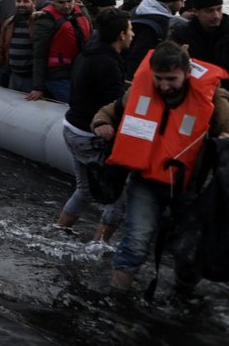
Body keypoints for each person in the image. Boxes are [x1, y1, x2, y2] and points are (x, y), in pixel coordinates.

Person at [92, 41, 229, 294]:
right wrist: (101, 123)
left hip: (189, 187)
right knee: (135, 241)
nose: (164, 85)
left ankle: (183, 295)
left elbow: (226, 127)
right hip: (146, 182)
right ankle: (115, 296)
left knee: (189, 248)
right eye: (159, 79)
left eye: (171, 79)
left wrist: (225, 139)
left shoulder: (213, 97)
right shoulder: (139, 91)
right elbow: (109, 111)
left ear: (187, 74)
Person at [56, 9, 133, 241]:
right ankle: (98, 248)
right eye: (131, 30)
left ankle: (59, 232)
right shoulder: (107, 62)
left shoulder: (89, 53)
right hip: (91, 137)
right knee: (119, 198)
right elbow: (116, 104)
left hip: (71, 127)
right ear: (121, 35)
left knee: (85, 190)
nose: (133, 34)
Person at [27, 0, 92, 102]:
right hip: (57, 75)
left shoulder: (82, 13)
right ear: (53, 1)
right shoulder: (45, 20)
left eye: (69, 2)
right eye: (61, 2)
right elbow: (39, 55)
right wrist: (38, 87)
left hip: (79, 71)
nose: (66, 6)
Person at [124, 0, 187, 79]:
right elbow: (141, 55)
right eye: (181, 1)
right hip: (138, 74)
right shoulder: (161, 21)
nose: (183, 5)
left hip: (123, 65)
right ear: (170, 1)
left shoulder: (138, 9)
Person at [171, 0, 229, 87]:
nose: (216, 15)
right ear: (196, 12)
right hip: (195, 89)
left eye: (219, 9)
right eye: (209, 11)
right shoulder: (181, 35)